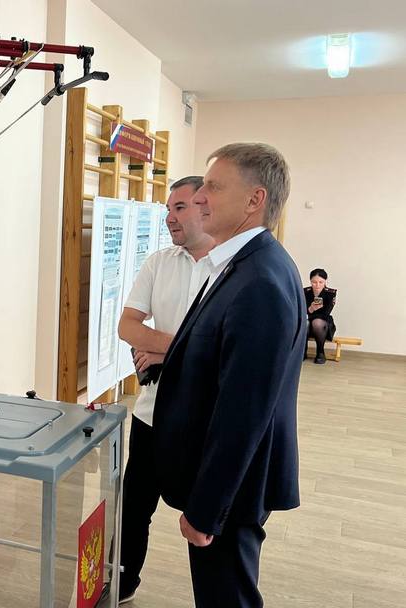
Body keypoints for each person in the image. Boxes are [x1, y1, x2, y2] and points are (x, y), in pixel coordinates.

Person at [153, 143, 305, 607]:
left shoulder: (259, 280)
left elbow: (243, 412)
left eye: (214, 188)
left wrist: (206, 510)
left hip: (232, 488)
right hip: (227, 480)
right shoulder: (242, 263)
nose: (200, 198)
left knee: (227, 598)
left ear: (254, 200)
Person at [115, 176, 214, 604]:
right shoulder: (159, 262)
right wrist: (184, 348)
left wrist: (163, 351)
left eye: (180, 208)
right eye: (168, 209)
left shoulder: (230, 270)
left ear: (205, 207)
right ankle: (123, 583)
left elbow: (225, 351)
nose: (170, 217)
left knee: (204, 519)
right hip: (151, 414)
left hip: (204, 421)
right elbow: (127, 327)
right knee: (134, 508)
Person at [304, 268, 337, 364]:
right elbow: (301, 311)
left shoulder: (330, 293)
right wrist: (311, 309)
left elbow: (326, 313)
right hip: (308, 322)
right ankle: (302, 351)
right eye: (314, 282)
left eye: (320, 282)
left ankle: (320, 352)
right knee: (305, 322)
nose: (317, 285)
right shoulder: (305, 292)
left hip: (323, 324)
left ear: (325, 281)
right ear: (310, 281)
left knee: (317, 322)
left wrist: (310, 312)